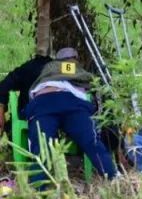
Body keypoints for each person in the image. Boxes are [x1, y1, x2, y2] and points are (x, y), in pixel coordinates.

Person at [25, 47, 118, 183]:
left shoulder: (48, 69)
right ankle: (114, 179)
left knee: (41, 147)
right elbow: (82, 77)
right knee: (91, 141)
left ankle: (37, 191)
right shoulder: (65, 65)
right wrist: (93, 80)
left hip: (42, 103)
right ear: (73, 58)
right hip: (68, 101)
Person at [0, 53, 52, 136]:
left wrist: (1, 108)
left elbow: (4, 85)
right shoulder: (62, 70)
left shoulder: (28, 68)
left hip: (30, 114)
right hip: (44, 115)